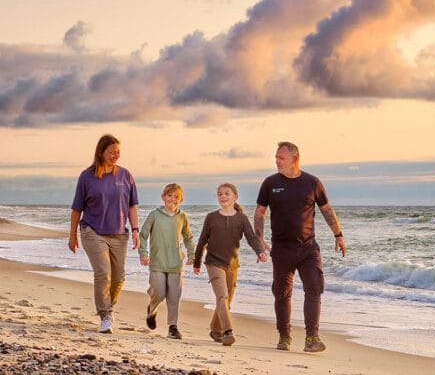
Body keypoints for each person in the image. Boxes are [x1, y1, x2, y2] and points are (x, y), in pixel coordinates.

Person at [254, 141, 347, 353]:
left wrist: (338, 235)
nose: (277, 161)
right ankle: (284, 337)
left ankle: (312, 337)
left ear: (294, 159)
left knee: (314, 289)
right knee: (282, 293)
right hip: (282, 249)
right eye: (276, 157)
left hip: (308, 248)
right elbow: (260, 212)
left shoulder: (312, 182)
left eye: (281, 158)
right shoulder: (270, 183)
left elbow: (326, 209)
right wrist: (259, 238)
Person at [69, 134, 139, 334]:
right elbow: (76, 209)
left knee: (118, 278)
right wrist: (72, 235)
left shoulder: (126, 175)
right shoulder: (87, 176)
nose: (116, 155)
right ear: (101, 152)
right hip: (92, 230)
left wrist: (135, 230)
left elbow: (132, 206)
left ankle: (109, 307)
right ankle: (105, 316)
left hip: (118, 233)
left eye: (118, 152)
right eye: (112, 152)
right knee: (103, 273)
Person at [193, 183, 267, 346]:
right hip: (213, 263)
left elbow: (251, 237)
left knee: (226, 301)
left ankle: (215, 330)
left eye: (227, 193)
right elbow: (202, 241)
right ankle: (228, 332)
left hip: (233, 266)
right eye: (220, 194)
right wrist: (197, 261)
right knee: (222, 296)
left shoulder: (241, 218)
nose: (223, 197)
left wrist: (260, 251)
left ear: (235, 197)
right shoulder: (211, 217)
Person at [138, 183, 195, 340]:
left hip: (176, 262)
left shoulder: (182, 217)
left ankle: (172, 327)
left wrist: (192, 254)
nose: (172, 199)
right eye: (169, 195)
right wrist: (143, 253)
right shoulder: (154, 215)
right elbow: (143, 235)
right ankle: (152, 309)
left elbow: (188, 237)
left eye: (176, 197)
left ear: (181, 200)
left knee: (174, 296)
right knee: (159, 291)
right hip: (157, 261)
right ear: (163, 197)